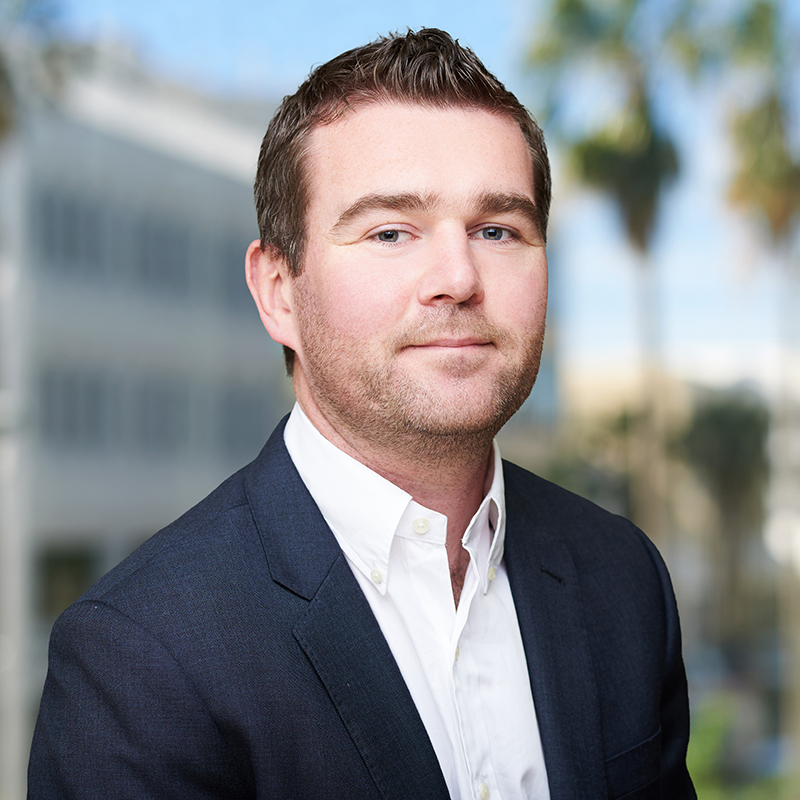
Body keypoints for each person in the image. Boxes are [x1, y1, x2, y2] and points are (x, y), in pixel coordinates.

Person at [28, 28, 695, 800]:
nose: (457, 278)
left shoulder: (622, 578)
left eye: (497, 230)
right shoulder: (138, 657)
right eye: (390, 232)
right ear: (278, 292)